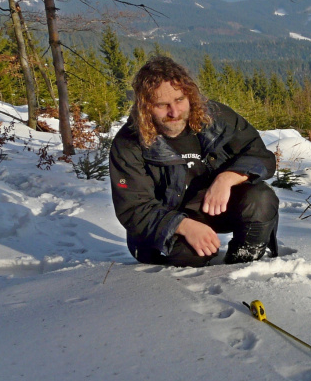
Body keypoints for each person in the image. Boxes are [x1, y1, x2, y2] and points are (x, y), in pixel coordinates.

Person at [109, 56, 279, 267]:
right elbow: (134, 209)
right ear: (145, 108)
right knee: (188, 255)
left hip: (215, 208)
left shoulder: (215, 118)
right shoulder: (129, 143)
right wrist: (181, 225)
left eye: (180, 100)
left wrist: (226, 179)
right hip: (167, 221)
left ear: (190, 95)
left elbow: (260, 156)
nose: (174, 112)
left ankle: (242, 264)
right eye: (162, 105)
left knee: (261, 199)